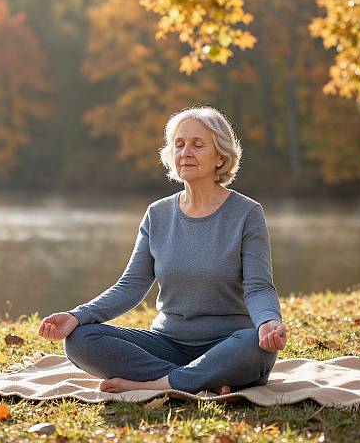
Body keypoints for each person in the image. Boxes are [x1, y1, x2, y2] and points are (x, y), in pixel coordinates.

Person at [38, 105, 287, 395]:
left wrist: (269, 322)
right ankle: (197, 379)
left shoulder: (247, 213)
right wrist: (78, 315)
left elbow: (258, 287)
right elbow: (130, 286)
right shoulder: (157, 214)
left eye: (197, 144)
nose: (185, 152)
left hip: (228, 343)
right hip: (167, 345)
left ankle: (157, 384)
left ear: (220, 156)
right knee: (80, 340)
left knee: (253, 346)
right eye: (179, 144)